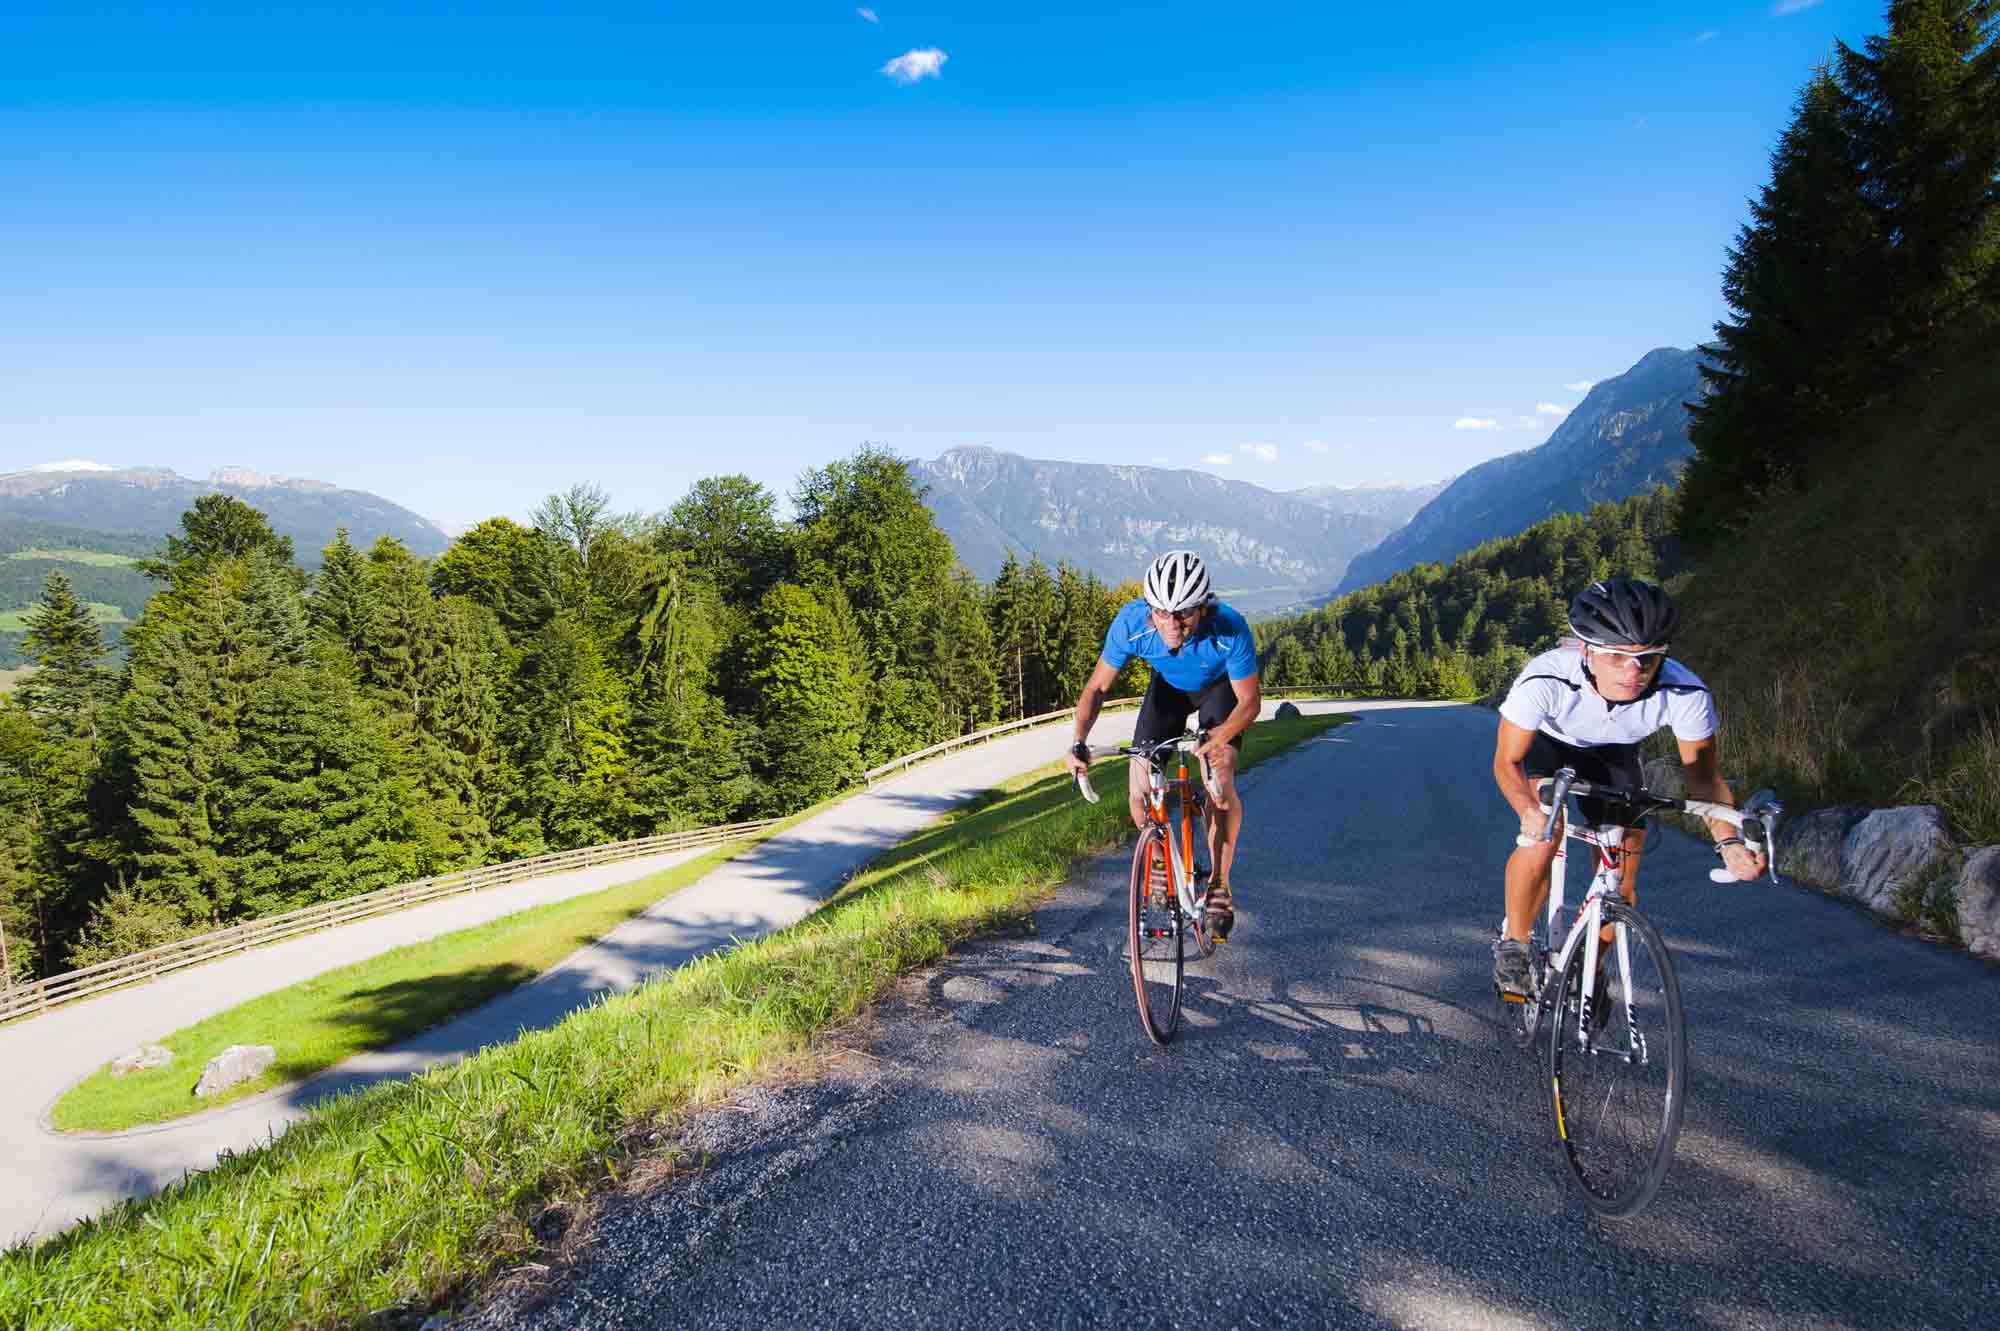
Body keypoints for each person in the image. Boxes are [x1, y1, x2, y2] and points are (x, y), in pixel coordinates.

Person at [1491, 577, 1768, 997]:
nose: (1633, 672)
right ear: (1586, 650)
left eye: (1648, 659)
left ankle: (1589, 971)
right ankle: (1514, 942)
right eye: (1616, 657)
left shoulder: (1685, 692)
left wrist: (1728, 841)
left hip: (1615, 755)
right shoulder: (1544, 679)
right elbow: (1507, 760)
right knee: (1544, 835)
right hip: (1550, 747)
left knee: (1620, 879)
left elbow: (1704, 777)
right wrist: (1528, 811)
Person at [1065, 550, 1262, 939]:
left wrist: (1217, 738)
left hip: (1219, 692)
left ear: (1203, 608)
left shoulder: (1229, 629)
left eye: (1183, 614)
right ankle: (1158, 861)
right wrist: (1078, 741)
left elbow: (1250, 702)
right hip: (1168, 692)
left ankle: (1219, 884)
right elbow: (1097, 688)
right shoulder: (1130, 624)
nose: (1171, 624)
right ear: (1149, 608)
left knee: (1218, 782)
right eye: (1161, 613)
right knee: (1139, 787)